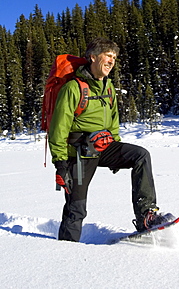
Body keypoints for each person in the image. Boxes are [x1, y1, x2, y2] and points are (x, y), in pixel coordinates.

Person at [48, 37, 166, 242]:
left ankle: (146, 216)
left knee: (140, 156)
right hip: (78, 154)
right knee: (76, 207)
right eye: (107, 56)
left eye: (114, 57)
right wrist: (60, 163)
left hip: (103, 146)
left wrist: (116, 145)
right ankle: (66, 248)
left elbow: (113, 119)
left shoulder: (108, 87)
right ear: (92, 57)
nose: (111, 61)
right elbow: (58, 129)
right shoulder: (73, 88)